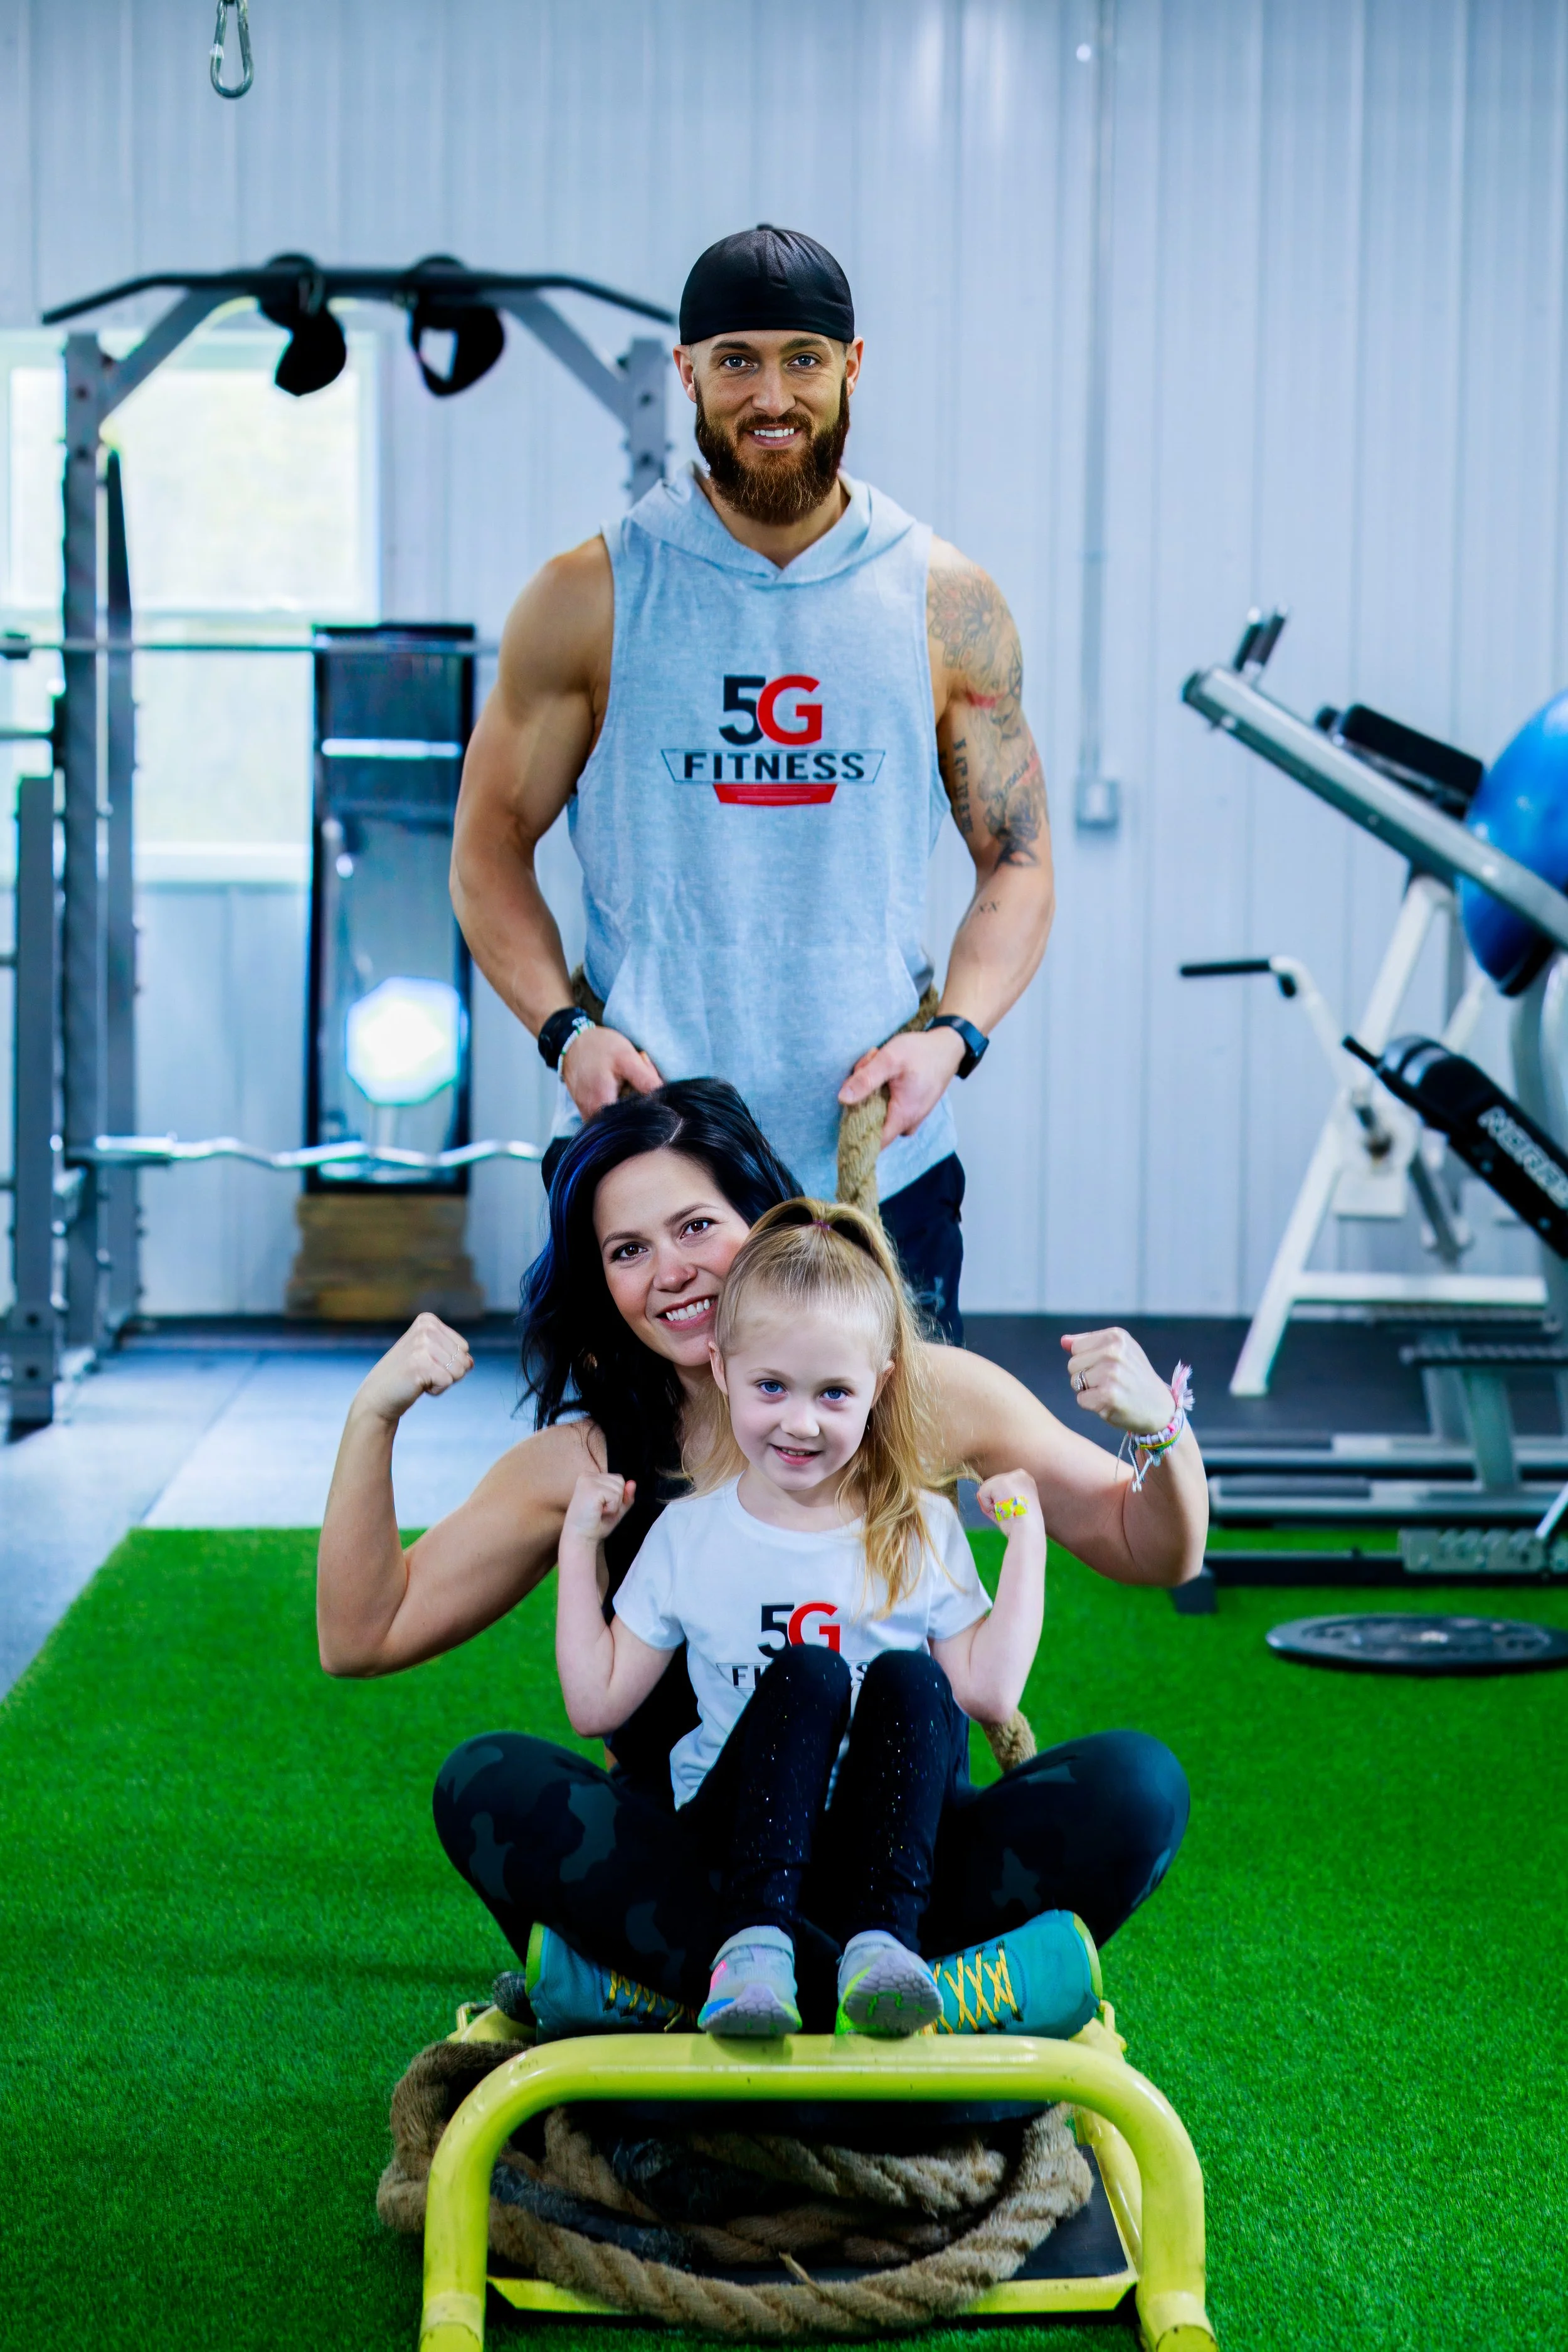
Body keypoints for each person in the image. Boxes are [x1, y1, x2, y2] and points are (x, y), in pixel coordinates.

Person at [317, 1081, 1205, 2033]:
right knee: (484, 1779)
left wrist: (1161, 1427)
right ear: (601, 1282)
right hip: (708, 1885)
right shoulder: (588, 1465)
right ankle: (918, 2016)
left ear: (766, 1221)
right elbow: (363, 1633)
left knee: (1140, 1784)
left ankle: (695, 2007)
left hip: (907, 1880)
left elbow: (1149, 1546)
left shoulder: (921, 1396)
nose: (671, 1271)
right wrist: (375, 1414)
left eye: (697, 1225)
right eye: (628, 1250)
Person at [450, 223, 1057, 1340]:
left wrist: (950, 1039)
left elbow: (1017, 863)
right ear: (686, 371)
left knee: (885, 1504)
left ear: (851, 367)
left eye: (801, 359)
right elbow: (487, 849)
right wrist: (565, 1035)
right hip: (646, 1169)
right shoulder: (592, 595)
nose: (770, 394)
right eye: (736, 360)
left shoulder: (944, 600)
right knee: (631, 1508)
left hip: (875, 1163)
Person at [556, 1198, 1091, 2041]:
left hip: (879, 1858)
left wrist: (1027, 1538)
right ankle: (753, 1952)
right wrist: (578, 1545)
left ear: (877, 1386)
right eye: (772, 1386)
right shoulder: (690, 1531)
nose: (800, 1422)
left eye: (833, 1392)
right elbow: (595, 1705)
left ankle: (882, 1955)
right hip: (728, 1858)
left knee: (928, 1685)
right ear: (724, 1368)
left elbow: (987, 1691)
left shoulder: (916, 1526)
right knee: (803, 1671)